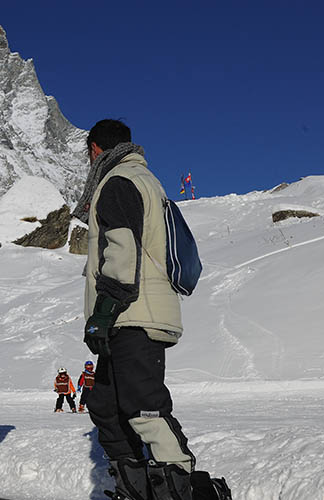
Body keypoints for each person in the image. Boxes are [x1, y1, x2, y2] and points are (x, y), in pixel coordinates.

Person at [76, 119, 230, 500]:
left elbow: (123, 248)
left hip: (132, 314)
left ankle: (185, 491)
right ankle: (139, 488)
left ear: (95, 149)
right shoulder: (144, 181)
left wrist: (104, 311)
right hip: (131, 314)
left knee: (144, 406)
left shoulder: (118, 182)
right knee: (106, 406)